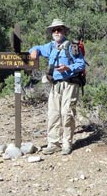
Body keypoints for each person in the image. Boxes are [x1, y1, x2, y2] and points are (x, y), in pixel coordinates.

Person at [29, 19, 86, 155]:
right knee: (53, 114)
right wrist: (33, 51)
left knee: (67, 113)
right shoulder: (50, 46)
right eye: (54, 30)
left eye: (59, 29)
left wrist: (68, 67)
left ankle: (67, 143)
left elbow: (81, 64)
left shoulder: (72, 46)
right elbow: (37, 48)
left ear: (64, 31)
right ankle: (53, 143)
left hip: (70, 84)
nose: (56, 32)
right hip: (55, 85)